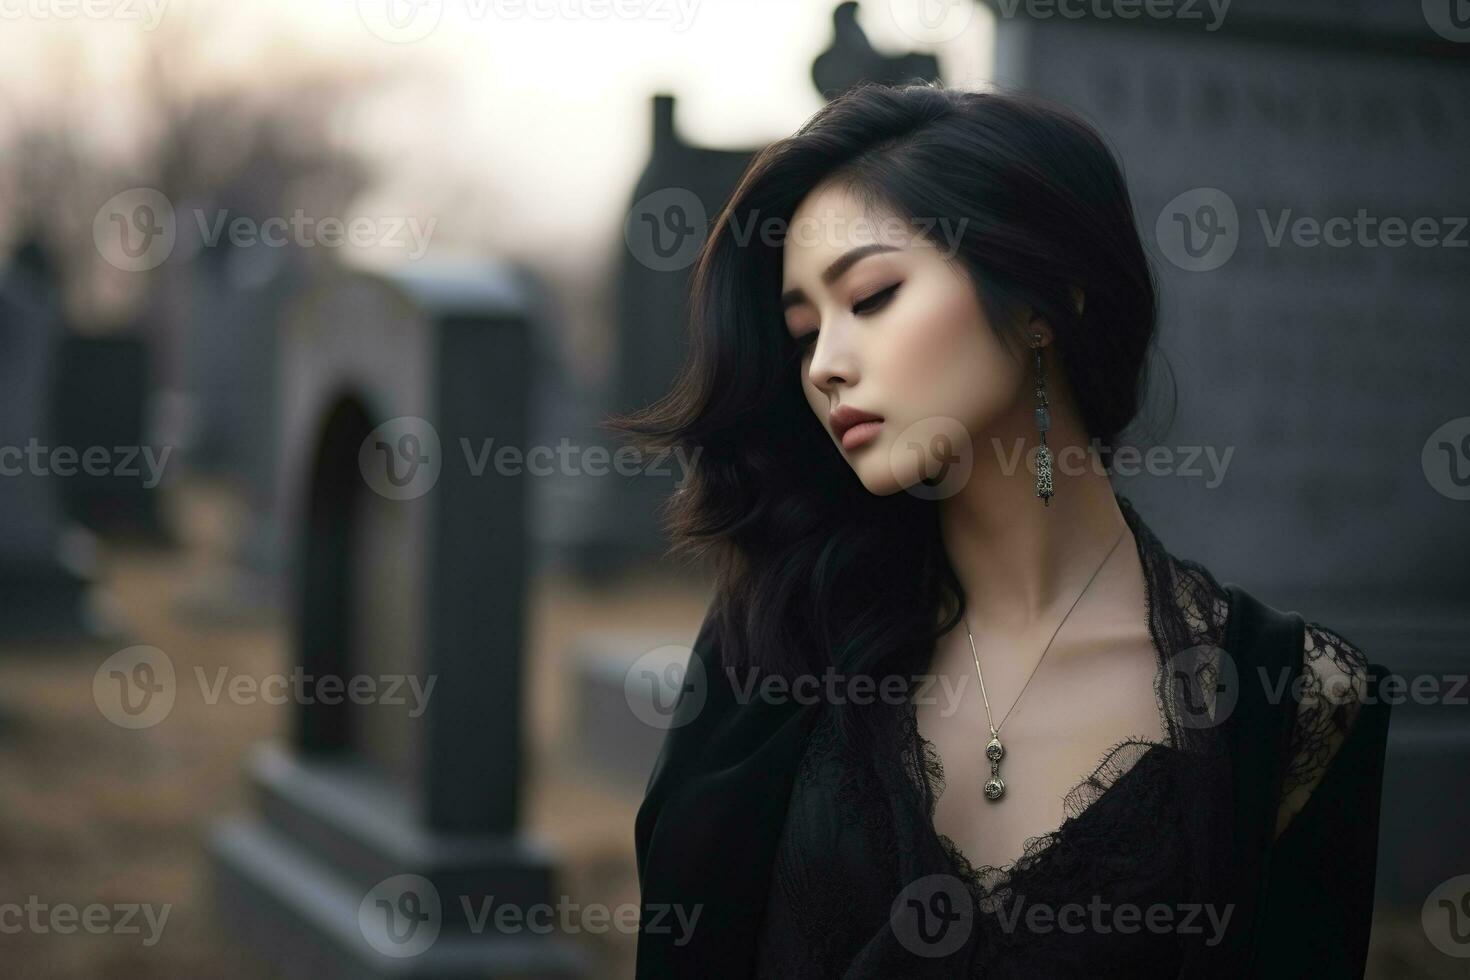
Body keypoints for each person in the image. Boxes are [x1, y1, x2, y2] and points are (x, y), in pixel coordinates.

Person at [612, 81, 1392, 978]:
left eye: (869, 296)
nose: (824, 365)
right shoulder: (776, 640)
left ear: (1042, 301)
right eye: (801, 332)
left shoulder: (1294, 703)